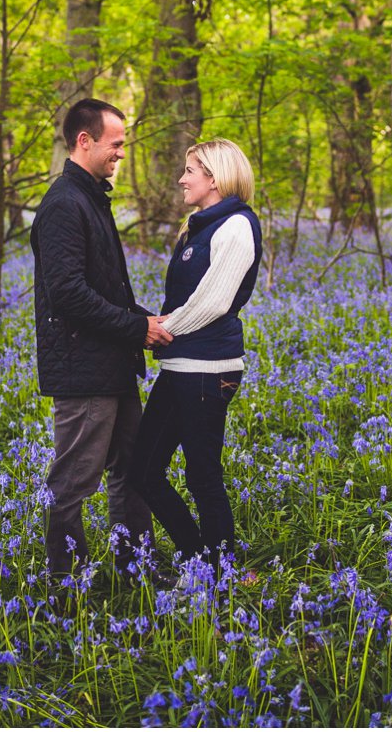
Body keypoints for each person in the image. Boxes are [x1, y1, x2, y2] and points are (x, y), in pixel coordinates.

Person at [31, 98, 173, 581]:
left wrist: (145, 321)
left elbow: (102, 288)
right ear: (84, 141)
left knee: (133, 471)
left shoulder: (91, 197)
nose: (121, 154)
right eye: (115, 145)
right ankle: (65, 587)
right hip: (83, 371)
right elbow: (68, 294)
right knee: (73, 482)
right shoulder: (64, 205)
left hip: (111, 364)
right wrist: (137, 327)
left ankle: (137, 568)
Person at [132, 138, 263, 571]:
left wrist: (158, 330)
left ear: (214, 176)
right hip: (182, 366)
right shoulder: (201, 226)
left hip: (209, 371)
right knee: (143, 470)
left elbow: (213, 303)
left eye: (190, 170)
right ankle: (196, 558)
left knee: (202, 476)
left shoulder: (237, 226)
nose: (182, 178)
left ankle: (220, 576)